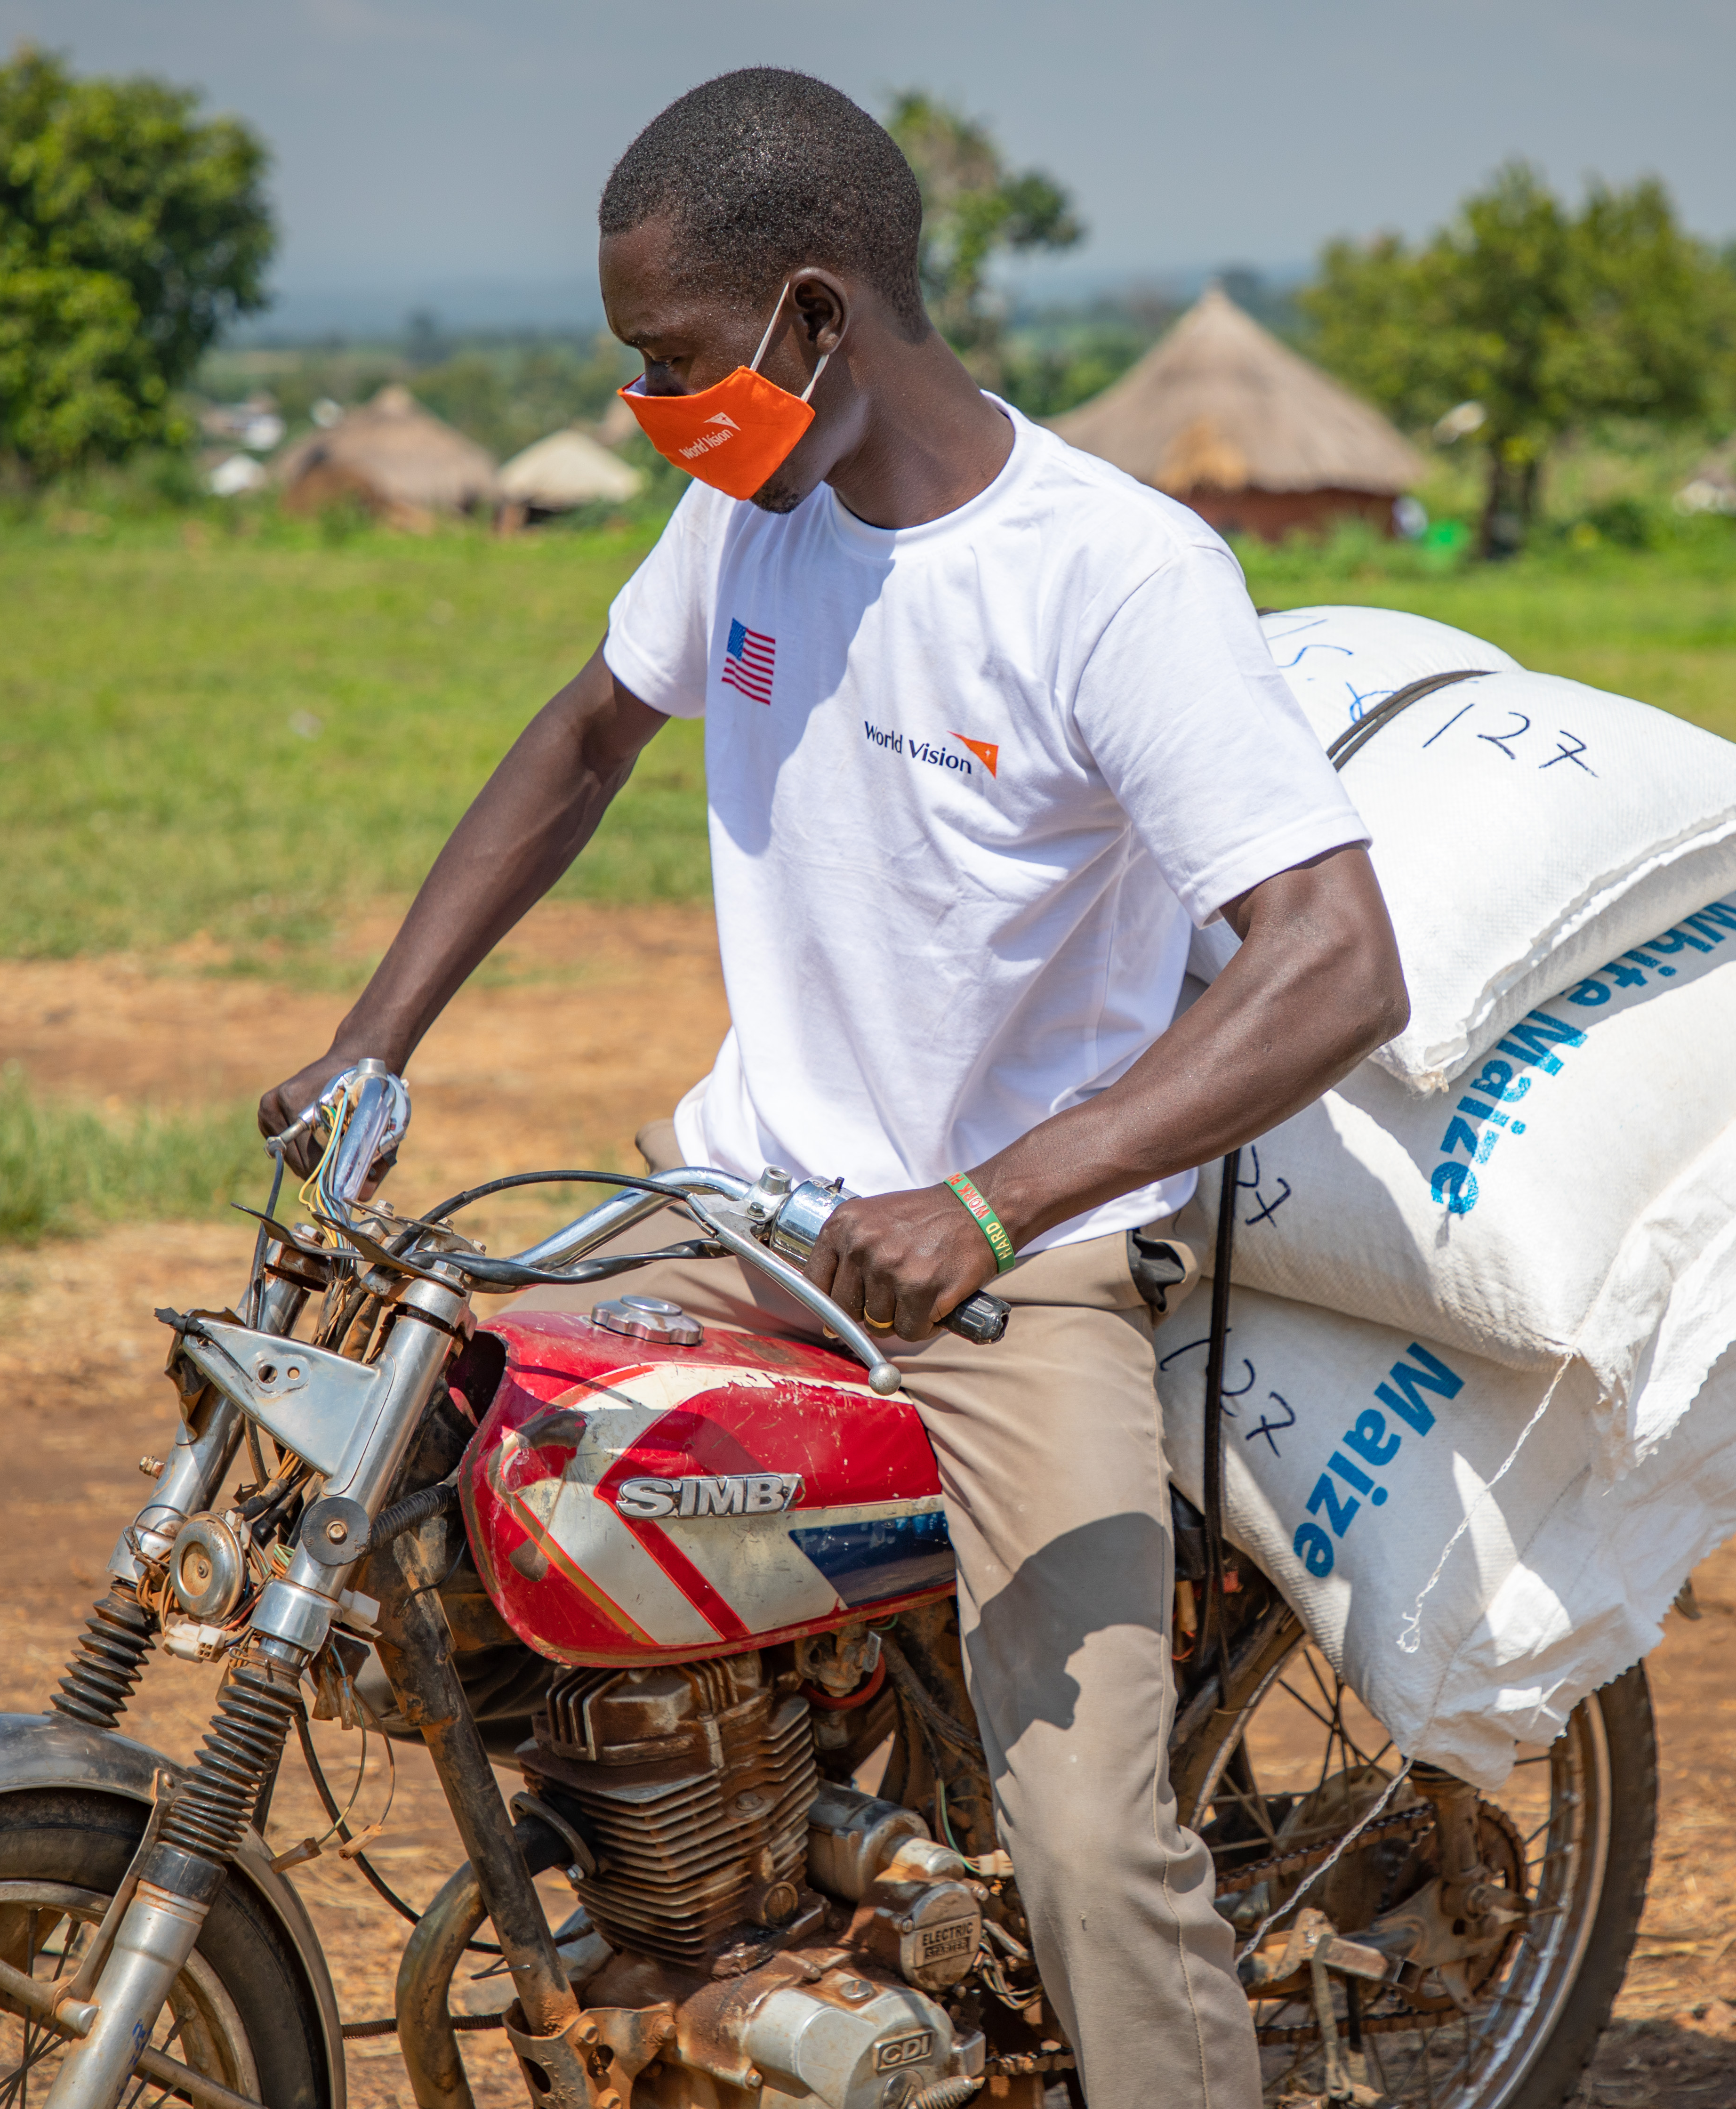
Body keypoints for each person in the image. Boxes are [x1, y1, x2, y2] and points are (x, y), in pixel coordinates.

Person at [259, 67, 1405, 2109]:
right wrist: (375, 1036)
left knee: (1086, 1842)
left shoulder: (1111, 580)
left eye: (672, 362)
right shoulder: (743, 522)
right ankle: (727, 1916)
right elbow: (581, 743)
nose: (655, 412)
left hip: (1007, 1280)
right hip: (732, 1222)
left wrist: (991, 1201)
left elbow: (1335, 958)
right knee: (440, 1503)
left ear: (813, 315)